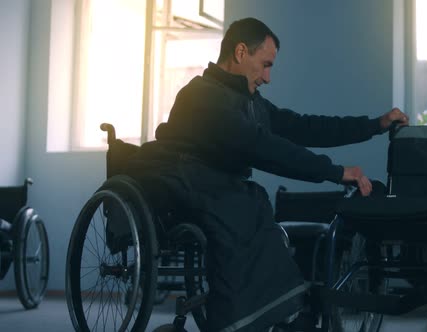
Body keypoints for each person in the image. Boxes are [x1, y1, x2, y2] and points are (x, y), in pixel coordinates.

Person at [126, 17, 408, 332]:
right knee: (247, 212)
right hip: (185, 182)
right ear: (241, 52)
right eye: (265, 65)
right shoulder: (203, 95)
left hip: (220, 188)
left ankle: (280, 314)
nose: (268, 77)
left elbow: (304, 127)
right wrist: (335, 172)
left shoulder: (247, 102)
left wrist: (373, 125)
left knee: (256, 209)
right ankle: (250, 320)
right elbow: (263, 148)